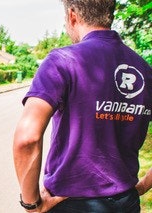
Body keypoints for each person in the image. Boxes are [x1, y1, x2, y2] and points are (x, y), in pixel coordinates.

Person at [13, 0, 152, 212]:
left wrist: (31, 204)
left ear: (72, 16)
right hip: (126, 203)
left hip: (70, 203)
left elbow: (27, 138)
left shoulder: (63, 61)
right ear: (110, 14)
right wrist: (143, 186)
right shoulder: (144, 70)